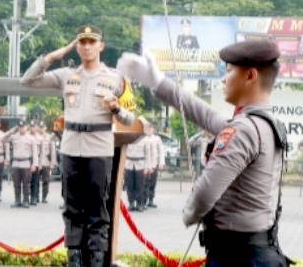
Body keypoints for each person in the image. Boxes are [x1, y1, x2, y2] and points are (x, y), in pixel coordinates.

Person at [118, 40, 292, 266]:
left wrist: (190, 214)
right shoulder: (265, 124)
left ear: (250, 76)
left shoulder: (244, 130)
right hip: (257, 252)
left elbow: (205, 192)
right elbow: (204, 114)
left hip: (236, 257)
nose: (223, 78)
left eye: (229, 71)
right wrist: (158, 82)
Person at [21, 25, 135, 267]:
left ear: (100, 46)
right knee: (71, 208)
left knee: (97, 209)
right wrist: (52, 56)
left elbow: (130, 119)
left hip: (99, 150)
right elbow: (27, 80)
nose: (86, 46)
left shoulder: (115, 79)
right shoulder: (66, 75)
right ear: (77, 45)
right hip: (71, 148)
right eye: (81, 42)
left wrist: (115, 108)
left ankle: (96, 261)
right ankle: (74, 260)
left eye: (91, 42)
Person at [5, 122, 39, 208]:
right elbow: (3, 139)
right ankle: (17, 200)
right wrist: (11, 131)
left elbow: (35, 153)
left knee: (26, 184)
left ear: (26, 127)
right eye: (20, 127)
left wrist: (34, 164)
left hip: (26, 163)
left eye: (23, 127)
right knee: (16, 184)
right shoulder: (14, 136)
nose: (21, 129)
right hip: (16, 163)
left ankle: (26, 201)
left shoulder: (31, 138)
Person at [124, 128, 149, 212]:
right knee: (129, 185)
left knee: (140, 185)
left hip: (140, 164)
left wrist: (147, 167)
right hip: (129, 163)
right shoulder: (127, 138)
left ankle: (139, 204)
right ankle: (131, 203)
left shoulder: (144, 139)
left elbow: (148, 155)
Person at [143, 124, 165, 208]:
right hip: (145, 165)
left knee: (152, 182)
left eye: (150, 129)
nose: (149, 130)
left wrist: (161, 163)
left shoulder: (157, 139)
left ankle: (151, 200)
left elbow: (161, 151)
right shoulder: (143, 138)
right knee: (144, 183)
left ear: (153, 129)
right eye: (148, 129)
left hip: (154, 164)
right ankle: (144, 200)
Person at [37, 122, 58, 204]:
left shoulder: (49, 137)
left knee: (46, 181)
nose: (41, 128)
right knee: (36, 180)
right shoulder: (36, 136)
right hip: (38, 161)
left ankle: (44, 197)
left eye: (43, 127)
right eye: (40, 127)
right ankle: (36, 196)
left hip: (46, 161)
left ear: (45, 128)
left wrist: (52, 163)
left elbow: (53, 151)